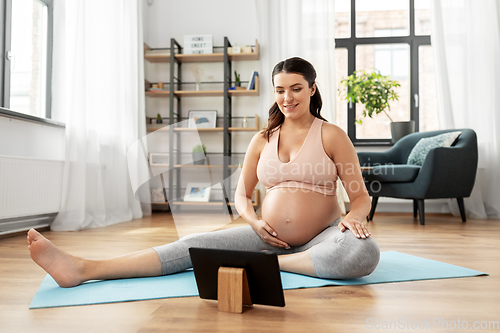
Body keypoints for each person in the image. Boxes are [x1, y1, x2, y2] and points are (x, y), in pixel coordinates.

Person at [27, 57, 379, 288]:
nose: (287, 97)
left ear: (312, 89)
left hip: (321, 235)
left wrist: (354, 216)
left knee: (362, 253)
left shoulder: (331, 135)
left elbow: (360, 197)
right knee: (191, 244)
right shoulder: (262, 139)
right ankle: (84, 268)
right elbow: (241, 194)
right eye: (280, 90)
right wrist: (255, 222)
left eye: (296, 88)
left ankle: (275, 264)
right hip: (264, 237)